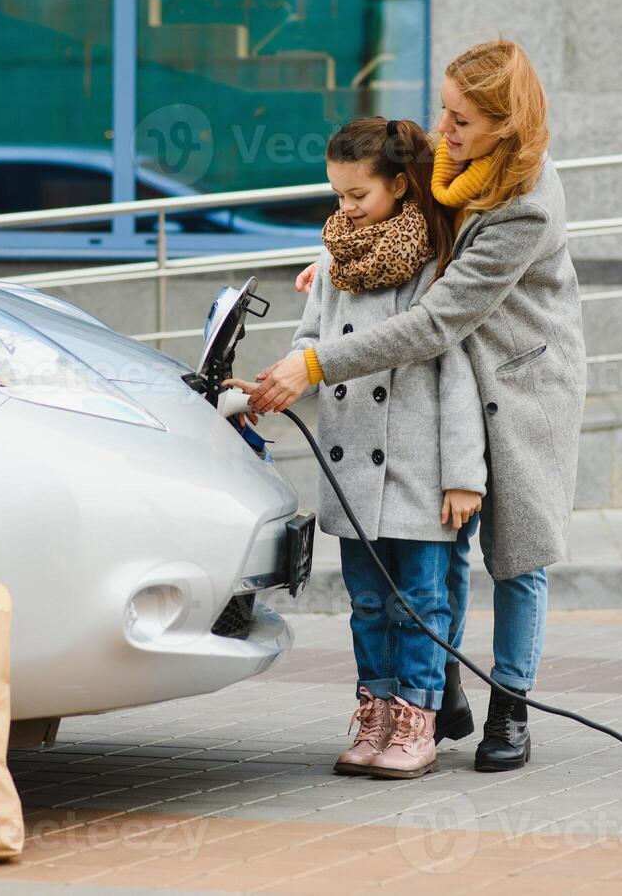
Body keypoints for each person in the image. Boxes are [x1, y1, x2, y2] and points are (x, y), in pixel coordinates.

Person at [246, 40, 587, 772]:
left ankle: (512, 707)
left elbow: (437, 320)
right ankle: (436, 696)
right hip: (447, 369)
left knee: (517, 555)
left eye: (462, 119)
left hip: (517, 377)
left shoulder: (528, 202)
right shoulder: (447, 160)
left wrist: (313, 361)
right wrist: (340, 258)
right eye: (444, 109)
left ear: (504, 123)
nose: (445, 129)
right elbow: (399, 227)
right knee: (444, 543)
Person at [226, 116, 484, 779]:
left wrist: (464, 474)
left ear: (399, 186)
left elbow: (456, 371)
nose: (344, 209)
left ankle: (416, 721)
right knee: (368, 602)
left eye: (357, 196)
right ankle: (373, 715)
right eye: (336, 195)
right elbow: (308, 347)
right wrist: (268, 386)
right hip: (350, 463)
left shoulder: (434, 264)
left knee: (419, 603)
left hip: (420, 467)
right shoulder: (333, 260)